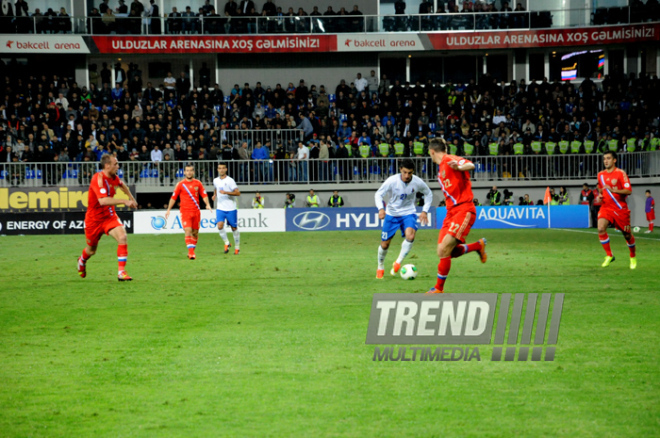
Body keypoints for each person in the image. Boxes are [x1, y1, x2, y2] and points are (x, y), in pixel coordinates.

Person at [427, 138, 487, 294]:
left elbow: (470, 164)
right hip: (451, 213)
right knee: (444, 251)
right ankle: (477, 246)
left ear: (432, 152)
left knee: (444, 249)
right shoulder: (441, 167)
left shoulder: (449, 160)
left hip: (463, 210)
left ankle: (439, 289)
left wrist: (461, 168)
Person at [77, 154, 138, 281]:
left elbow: (122, 185)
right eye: (115, 164)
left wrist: (131, 198)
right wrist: (125, 201)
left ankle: (121, 272)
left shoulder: (114, 177)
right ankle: (82, 260)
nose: (118, 166)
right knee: (91, 250)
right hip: (94, 220)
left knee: (122, 236)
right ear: (107, 165)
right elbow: (103, 201)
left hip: (109, 216)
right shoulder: (98, 179)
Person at [374, 159, 433, 279]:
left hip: (408, 213)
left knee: (410, 236)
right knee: (385, 245)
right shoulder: (392, 181)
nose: (407, 176)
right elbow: (378, 194)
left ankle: (398, 262)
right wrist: (381, 209)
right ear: (400, 169)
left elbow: (428, 193)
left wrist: (424, 211)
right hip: (391, 214)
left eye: (410, 173)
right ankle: (380, 267)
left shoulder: (417, 182)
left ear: (413, 172)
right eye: (405, 172)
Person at [596, 151, 636, 269]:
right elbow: (600, 188)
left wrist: (613, 191)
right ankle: (609, 255)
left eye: (608, 158)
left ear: (614, 160)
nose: (606, 161)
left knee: (627, 235)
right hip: (606, 206)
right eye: (604, 159)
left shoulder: (620, 173)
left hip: (619, 208)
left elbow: (628, 191)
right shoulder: (600, 175)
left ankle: (632, 256)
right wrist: (600, 195)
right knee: (600, 228)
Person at [165, 164, 212, 260]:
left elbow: (204, 195)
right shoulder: (180, 184)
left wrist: (207, 204)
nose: (189, 172)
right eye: (187, 170)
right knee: (188, 230)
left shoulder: (198, 183)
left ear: (193, 172)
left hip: (196, 211)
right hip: (185, 211)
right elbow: (173, 197)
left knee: (195, 233)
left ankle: (192, 251)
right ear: (184, 172)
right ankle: (191, 253)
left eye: (191, 170)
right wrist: (169, 209)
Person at [213, 162, 241, 255]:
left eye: (223, 168)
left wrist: (226, 192)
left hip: (231, 208)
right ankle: (227, 243)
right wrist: (215, 194)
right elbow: (216, 188)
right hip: (220, 208)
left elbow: (238, 193)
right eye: (219, 168)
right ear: (217, 170)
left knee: (234, 228)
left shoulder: (230, 181)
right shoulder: (215, 180)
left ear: (226, 169)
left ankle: (237, 247)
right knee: (220, 226)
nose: (221, 170)